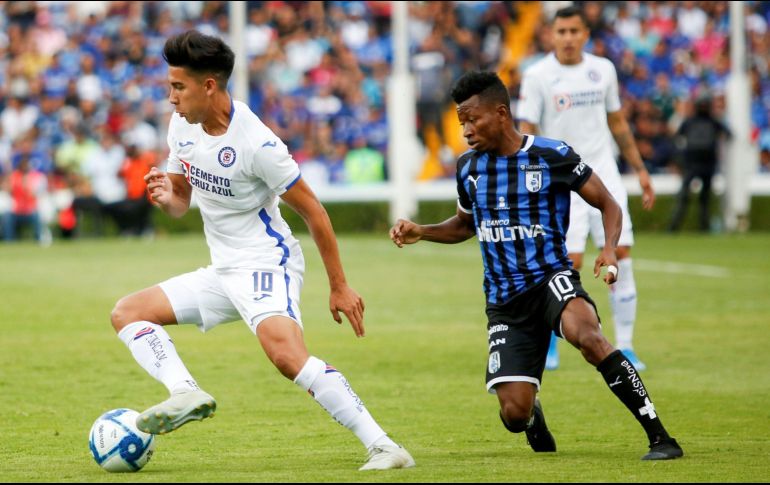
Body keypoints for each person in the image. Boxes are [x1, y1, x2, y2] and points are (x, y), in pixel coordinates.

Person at [110, 30, 414, 471]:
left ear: (209, 85)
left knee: (287, 357)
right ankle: (184, 392)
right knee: (127, 312)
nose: (171, 98)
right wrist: (166, 196)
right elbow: (181, 201)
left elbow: (315, 213)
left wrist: (340, 286)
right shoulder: (182, 126)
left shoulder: (258, 144)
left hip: (266, 263)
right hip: (223, 268)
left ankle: (386, 447)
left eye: (178, 87)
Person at [390, 71, 683, 460]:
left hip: (550, 280)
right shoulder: (469, 169)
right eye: (462, 122)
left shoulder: (552, 155)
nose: (466, 131)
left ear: (501, 113)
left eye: (472, 119)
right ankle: (532, 417)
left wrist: (609, 248)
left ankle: (660, 437)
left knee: (589, 336)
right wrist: (422, 231)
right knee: (513, 413)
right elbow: (465, 225)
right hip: (505, 301)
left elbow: (609, 203)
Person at [517, 6, 655, 371]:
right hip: (560, 180)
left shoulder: (602, 70)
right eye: (561, 31)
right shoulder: (536, 76)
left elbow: (617, 122)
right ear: (551, 34)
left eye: (574, 31)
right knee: (566, 263)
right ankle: (549, 343)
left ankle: (625, 345)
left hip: (604, 174)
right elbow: (527, 129)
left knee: (620, 253)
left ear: (585, 34)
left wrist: (639, 169)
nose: (567, 38)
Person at [668, 95, 731, 232]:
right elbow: (677, 138)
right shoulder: (695, 122)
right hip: (694, 163)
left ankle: (702, 227)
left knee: (702, 198)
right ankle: (675, 227)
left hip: (704, 164)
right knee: (688, 197)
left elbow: (728, 134)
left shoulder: (709, 122)